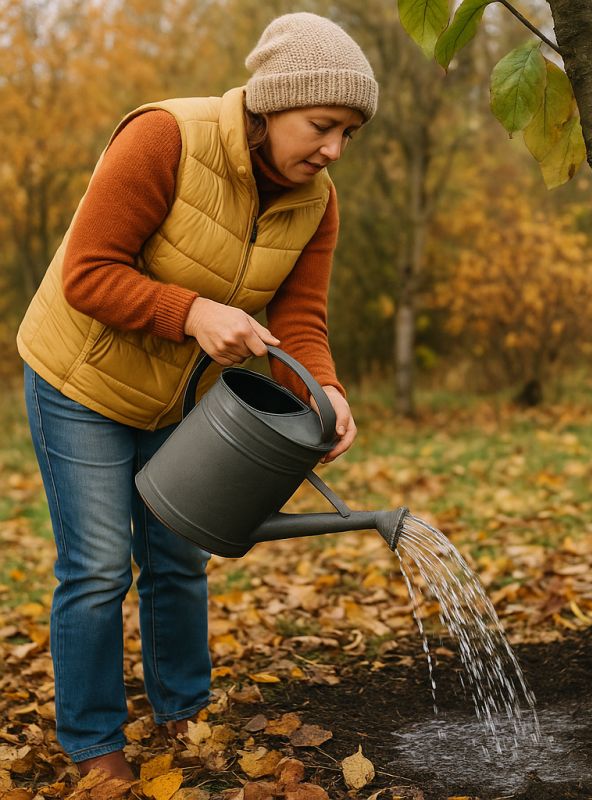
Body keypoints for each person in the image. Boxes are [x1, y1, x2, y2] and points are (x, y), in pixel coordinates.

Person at [16, 12, 378, 780]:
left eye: (349, 132)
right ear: (272, 101)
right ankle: (94, 744)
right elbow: (87, 272)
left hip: (182, 403)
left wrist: (329, 393)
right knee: (101, 563)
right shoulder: (166, 139)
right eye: (322, 125)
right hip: (81, 378)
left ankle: (183, 713)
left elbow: (300, 322)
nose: (333, 149)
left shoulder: (316, 201)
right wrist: (192, 312)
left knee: (178, 555)